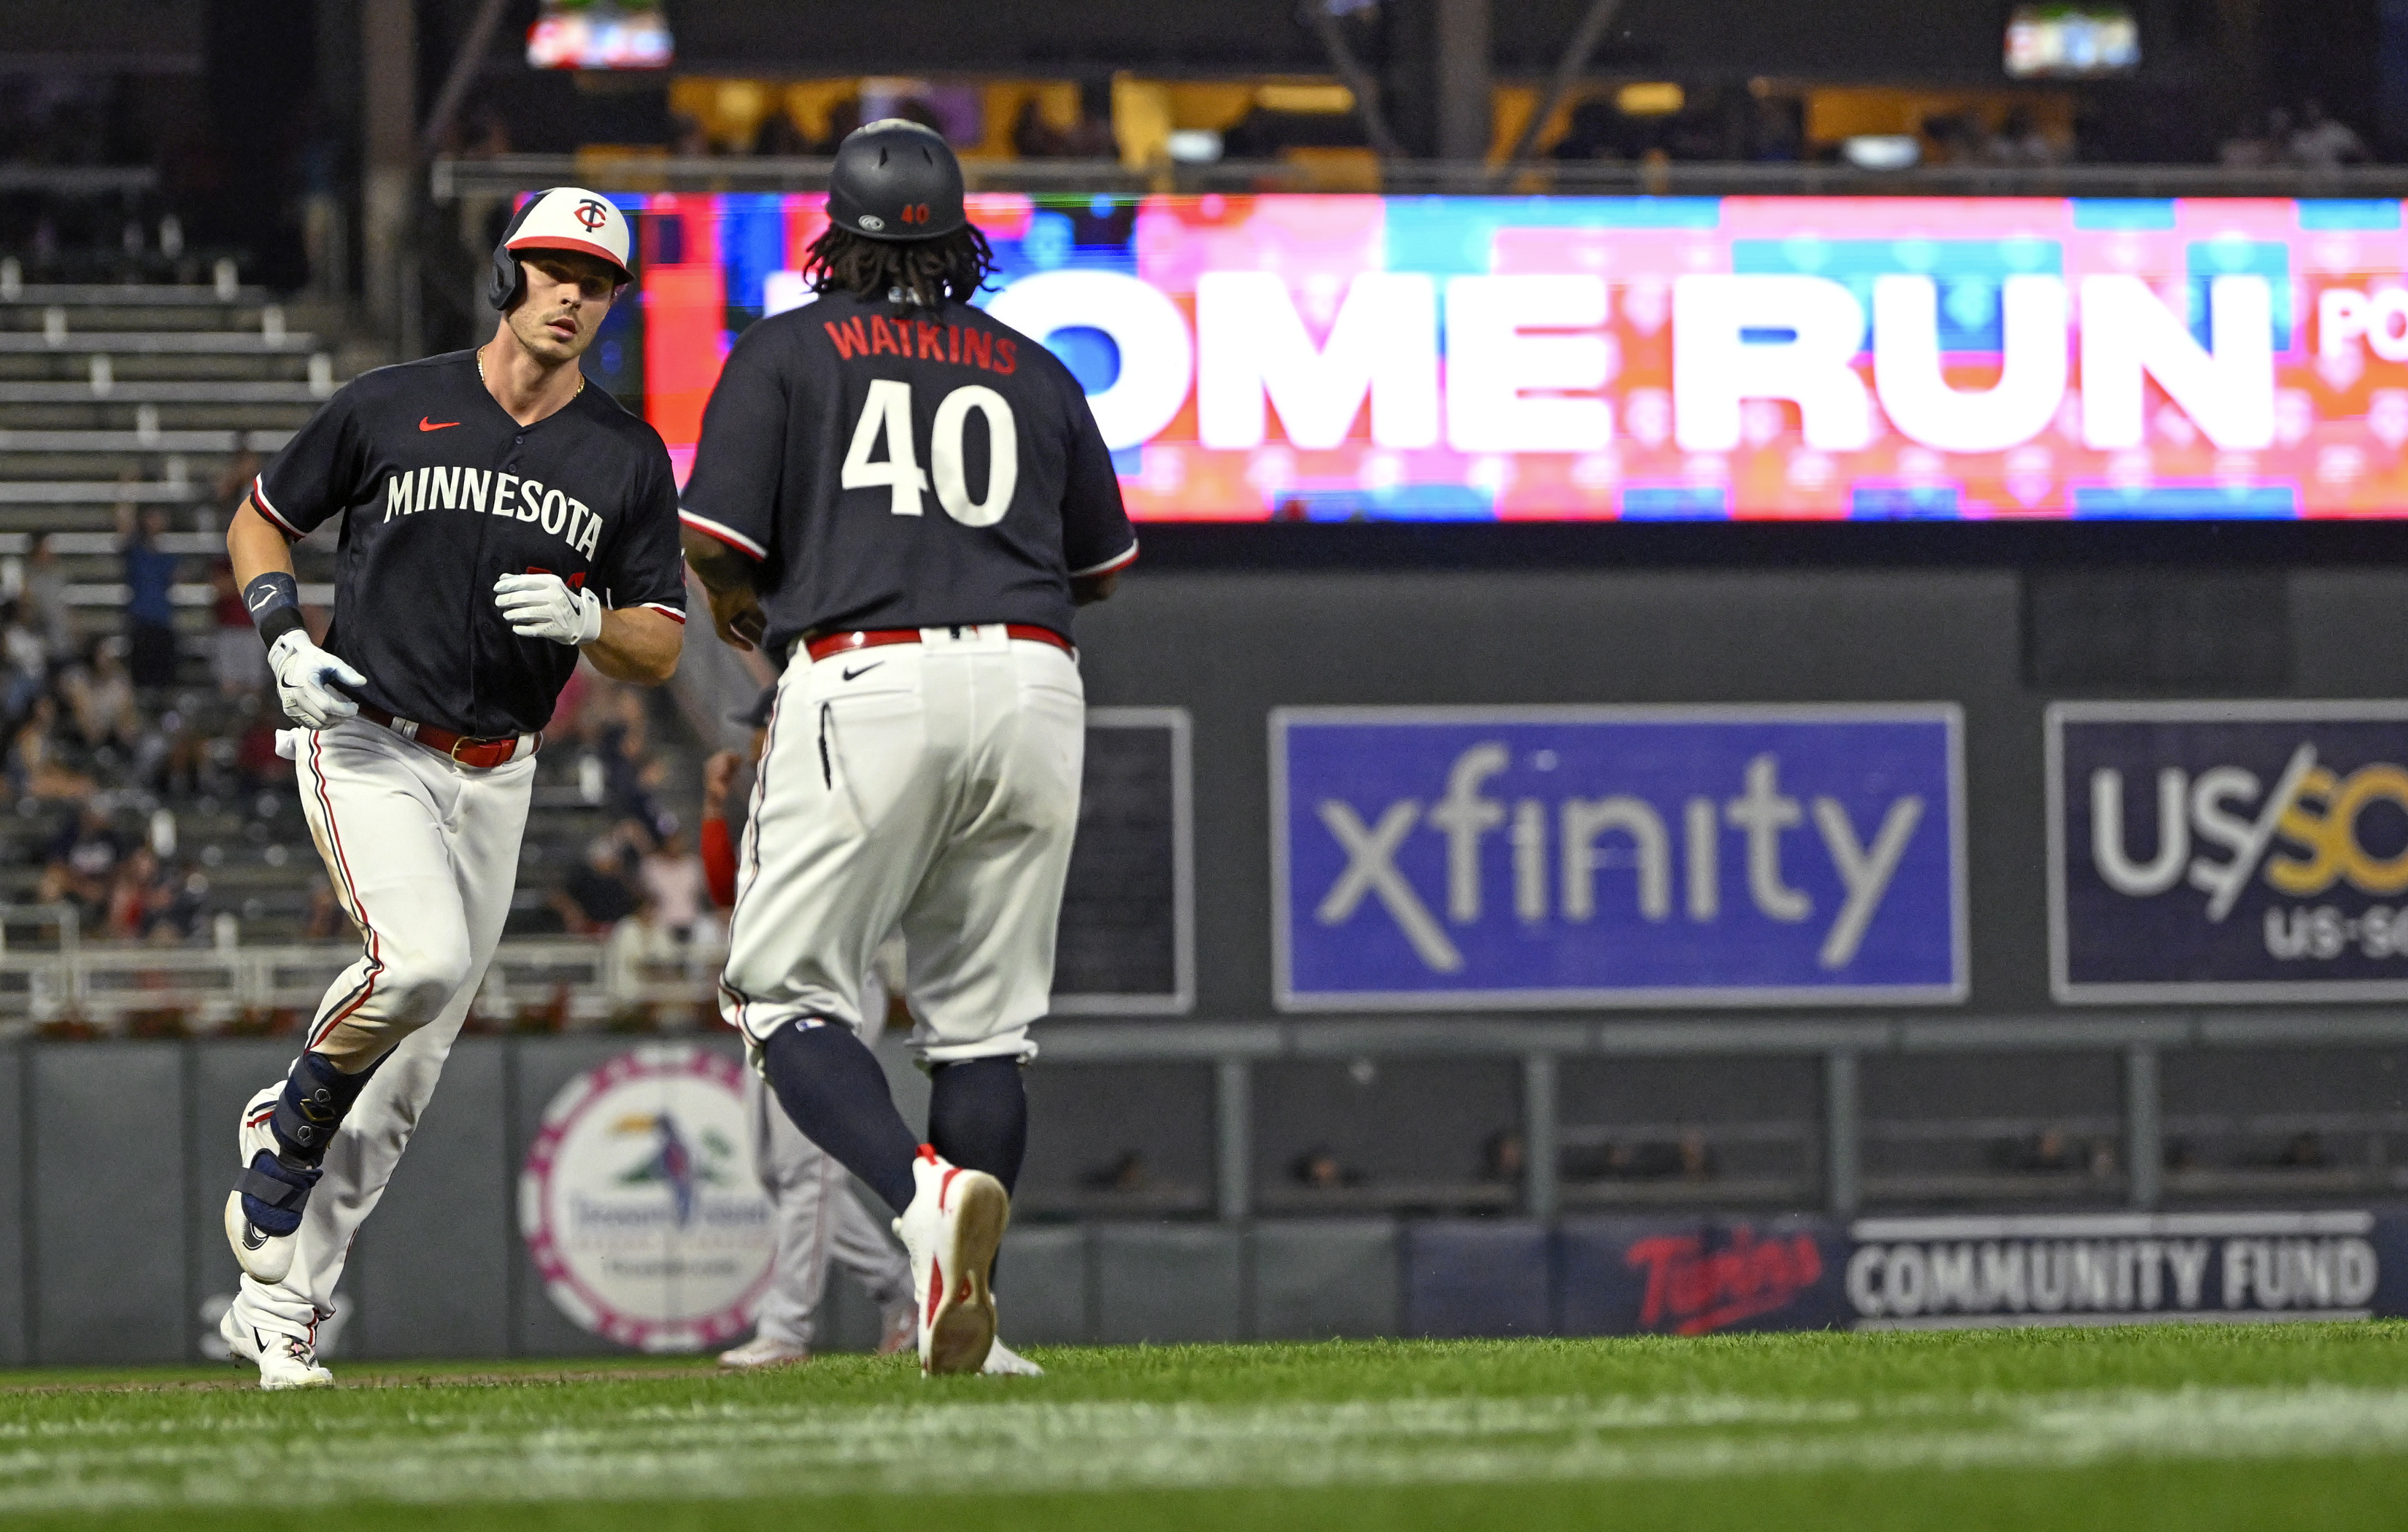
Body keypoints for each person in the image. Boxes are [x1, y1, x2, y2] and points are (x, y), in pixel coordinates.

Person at [679, 120, 1135, 1375]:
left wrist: (739, 613)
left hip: (868, 675)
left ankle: (928, 1204)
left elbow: (718, 542)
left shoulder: (784, 351)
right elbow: (1098, 569)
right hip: (1037, 684)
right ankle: (971, 1323)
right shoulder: (1034, 368)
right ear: (959, 237)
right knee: (984, 1031)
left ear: (837, 237)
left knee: (784, 997)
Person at [215, 185, 687, 1389]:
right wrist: (279, 635)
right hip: (366, 736)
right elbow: (262, 523)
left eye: (596, 279)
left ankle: (281, 1304)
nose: (572, 294)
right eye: (552, 269)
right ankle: (283, 1120)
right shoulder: (392, 403)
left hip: (498, 770)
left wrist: (594, 620)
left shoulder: (625, 455)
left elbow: (663, 641)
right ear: (507, 276)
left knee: (412, 1079)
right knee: (414, 964)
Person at [699, 692, 1038, 1374]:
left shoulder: (827, 780)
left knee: (804, 1175)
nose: (754, 741)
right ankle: (898, 1286)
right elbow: (724, 897)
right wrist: (713, 810)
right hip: (789, 980)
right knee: (780, 1173)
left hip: (835, 980)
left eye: (763, 725)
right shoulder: (774, 795)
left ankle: (786, 1328)